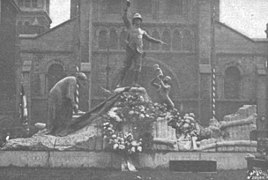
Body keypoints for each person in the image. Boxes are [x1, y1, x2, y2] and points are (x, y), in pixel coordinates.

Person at [117, 0, 167, 87]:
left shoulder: (142, 31)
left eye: (139, 20)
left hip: (139, 51)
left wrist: (159, 41)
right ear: (133, 21)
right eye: (136, 20)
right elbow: (124, 18)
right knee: (126, 66)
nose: (138, 21)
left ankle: (135, 82)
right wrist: (126, 8)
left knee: (138, 67)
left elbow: (149, 38)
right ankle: (120, 82)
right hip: (130, 49)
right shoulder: (130, 27)